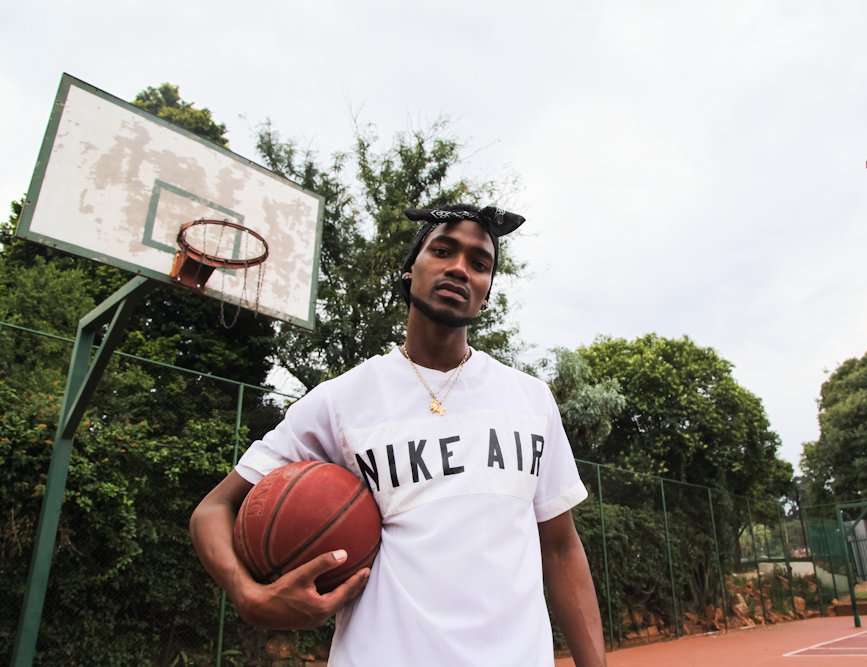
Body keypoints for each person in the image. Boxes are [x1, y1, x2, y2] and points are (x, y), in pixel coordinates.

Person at [190, 204, 607, 667]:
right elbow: (213, 508)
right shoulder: (340, 401)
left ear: (487, 294)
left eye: (479, 263)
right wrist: (248, 595)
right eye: (443, 250)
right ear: (410, 271)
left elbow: (561, 546)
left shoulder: (531, 399)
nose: (459, 269)